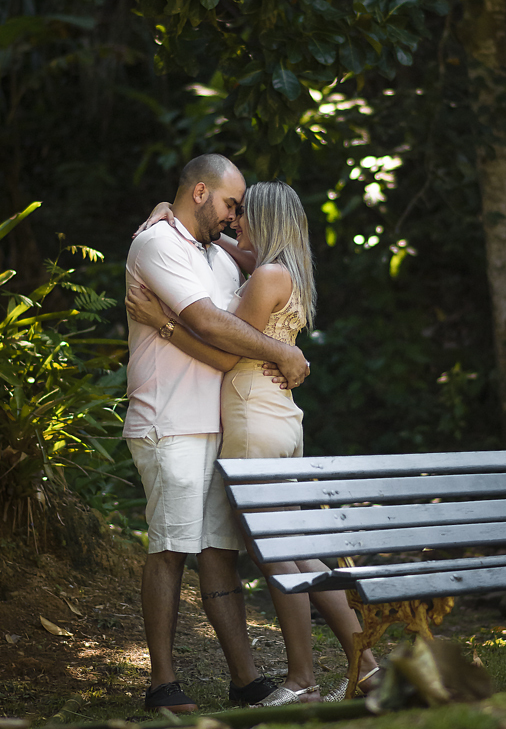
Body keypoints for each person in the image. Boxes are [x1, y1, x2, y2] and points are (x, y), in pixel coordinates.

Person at [126, 179, 379, 707]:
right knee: (300, 553)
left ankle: (302, 680)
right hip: (279, 416)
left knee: (273, 554)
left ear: (262, 219)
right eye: (231, 209)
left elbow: (225, 352)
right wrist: (171, 211)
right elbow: (221, 240)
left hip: (249, 415)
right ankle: (370, 667)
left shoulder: (263, 276)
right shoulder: (283, 270)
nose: (234, 220)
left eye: (241, 212)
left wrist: (161, 323)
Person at [123, 155, 310, 714]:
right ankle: (162, 683)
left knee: (218, 552)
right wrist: (281, 351)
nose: (235, 216)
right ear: (200, 192)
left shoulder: (219, 254)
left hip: (222, 425)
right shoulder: (157, 245)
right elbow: (207, 322)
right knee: (170, 548)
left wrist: (167, 204)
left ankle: (245, 679)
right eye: (231, 204)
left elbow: (266, 260)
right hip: (171, 419)